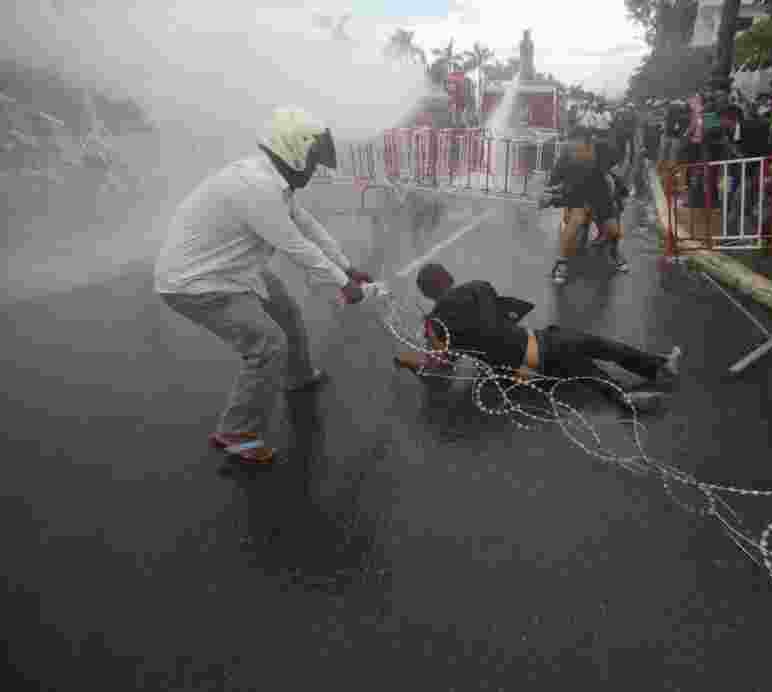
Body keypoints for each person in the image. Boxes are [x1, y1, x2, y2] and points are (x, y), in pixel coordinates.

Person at [154, 106, 384, 465]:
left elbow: (307, 227)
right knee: (267, 343)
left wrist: (347, 268)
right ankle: (236, 434)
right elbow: (296, 246)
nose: (314, 167)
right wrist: (344, 286)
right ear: (294, 149)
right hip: (196, 281)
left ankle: (298, 376)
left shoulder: (272, 181)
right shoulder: (256, 188)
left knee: (286, 311)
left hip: (235, 269)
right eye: (312, 159)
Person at [396, 263, 684, 411]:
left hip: (513, 371)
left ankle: (635, 383)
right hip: (534, 346)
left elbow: (441, 370)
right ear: (448, 278)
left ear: (427, 293)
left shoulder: (434, 325)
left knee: (581, 364)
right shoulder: (477, 287)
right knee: (596, 347)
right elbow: (501, 319)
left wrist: (410, 360)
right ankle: (643, 379)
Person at [546, 131, 630, 284]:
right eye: (570, 147)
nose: (574, 150)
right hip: (578, 194)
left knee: (613, 230)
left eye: (578, 147)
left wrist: (621, 192)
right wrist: (550, 197)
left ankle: (614, 252)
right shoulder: (566, 159)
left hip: (601, 193)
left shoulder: (602, 149)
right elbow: (554, 185)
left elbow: (613, 172)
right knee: (574, 223)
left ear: (588, 145)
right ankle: (561, 264)